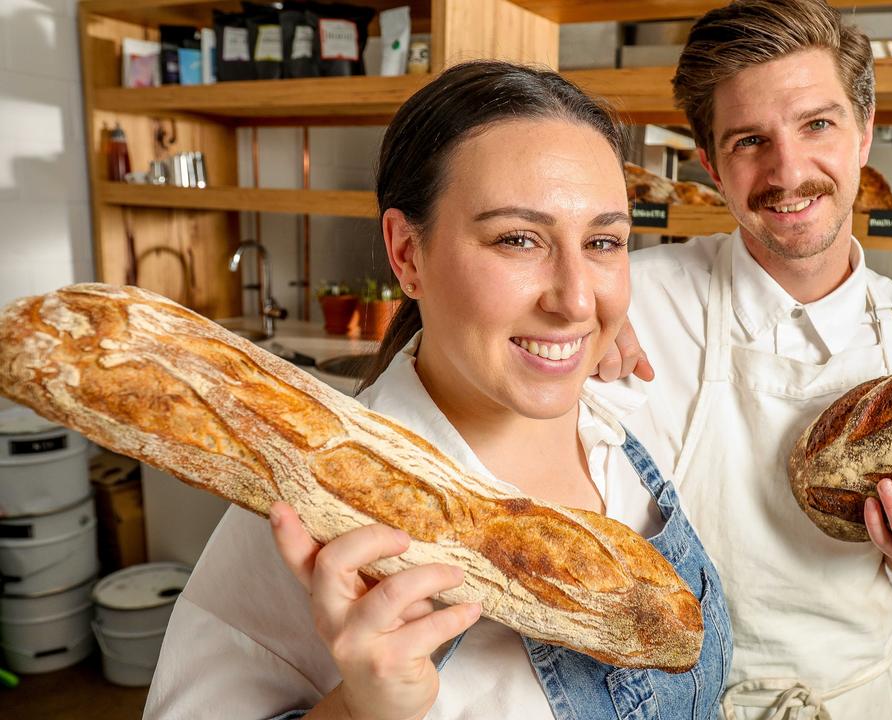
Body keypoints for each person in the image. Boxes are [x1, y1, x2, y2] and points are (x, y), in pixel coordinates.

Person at [143, 61, 731, 720]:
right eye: (517, 239)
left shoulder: (626, 417)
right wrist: (360, 710)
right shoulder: (309, 502)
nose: (574, 300)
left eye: (602, 241)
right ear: (407, 255)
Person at [595, 1, 892, 717]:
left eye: (817, 125)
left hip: (847, 698)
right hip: (660, 699)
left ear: (863, 134)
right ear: (710, 164)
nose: (787, 170)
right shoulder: (629, 304)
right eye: (749, 141)